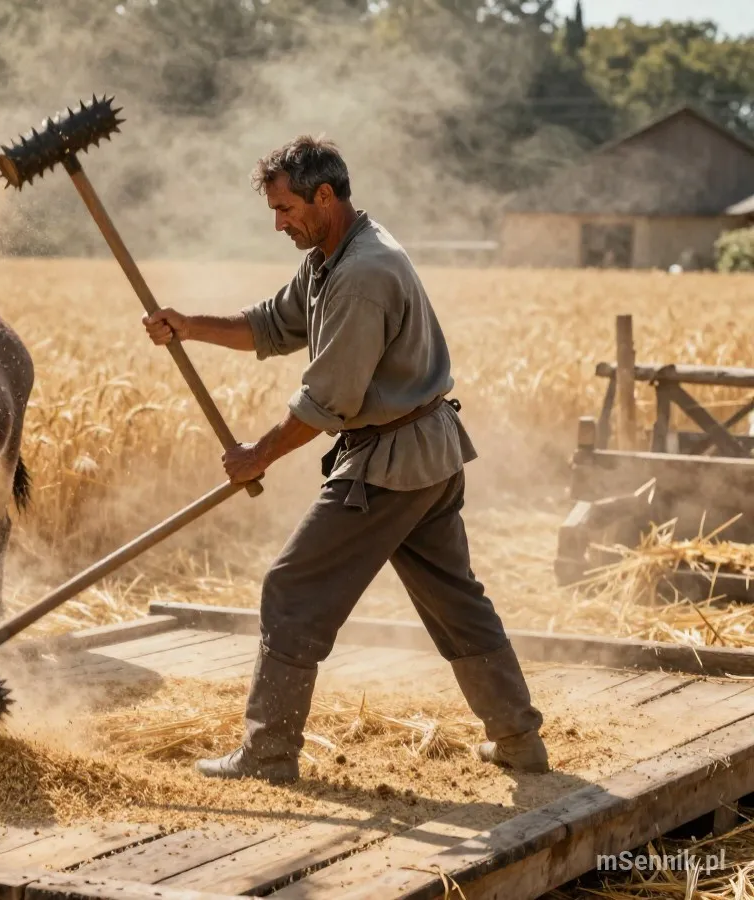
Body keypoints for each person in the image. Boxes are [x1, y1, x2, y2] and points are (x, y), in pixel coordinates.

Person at [142, 136, 549, 784]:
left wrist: (259, 455)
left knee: (293, 588)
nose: (278, 223)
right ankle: (520, 741)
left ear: (324, 195)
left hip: (389, 464)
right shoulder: (333, 256)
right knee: (455, 599)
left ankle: (269, 754)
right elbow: (273, 325)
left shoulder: (362, 275)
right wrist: (187, 324)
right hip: (427, 454)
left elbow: (328, 399)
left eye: (284, 208)